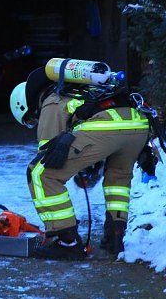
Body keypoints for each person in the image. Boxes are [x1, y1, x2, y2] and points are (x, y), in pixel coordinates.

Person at [9, 67, 151, 258]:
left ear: (28, 104)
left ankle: (67, 241)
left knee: (40, 173)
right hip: (138, 124)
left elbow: (48, 153)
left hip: (106, 127)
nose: (36, 121)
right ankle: (115, 236)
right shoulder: (81, 89)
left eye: (32, 119)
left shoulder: (52, 100)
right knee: (118, 179)